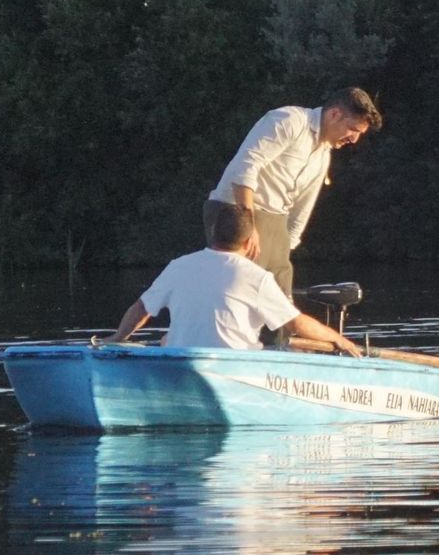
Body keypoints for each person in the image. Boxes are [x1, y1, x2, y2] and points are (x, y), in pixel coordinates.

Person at [104, 203, 362, 354]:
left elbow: (141, 310)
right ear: (250, 242)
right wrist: (339, 340)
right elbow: (296, 325)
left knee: (166, 341)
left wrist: (117, 339)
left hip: (182, 360)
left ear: (213, 231)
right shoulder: (257, 277)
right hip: (235, 364)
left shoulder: (178, 266)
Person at [207, 87, 383, 307]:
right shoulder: (289, 120)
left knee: (281, 304)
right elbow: (245, 166)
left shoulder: (322, 155)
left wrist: (285, 249)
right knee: (241, 297)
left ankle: (279, 341)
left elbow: (302, 208)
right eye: (352, 129)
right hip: (234, 213)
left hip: (276, 221)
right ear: (334, 114)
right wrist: (247, 223)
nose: (354, 139)